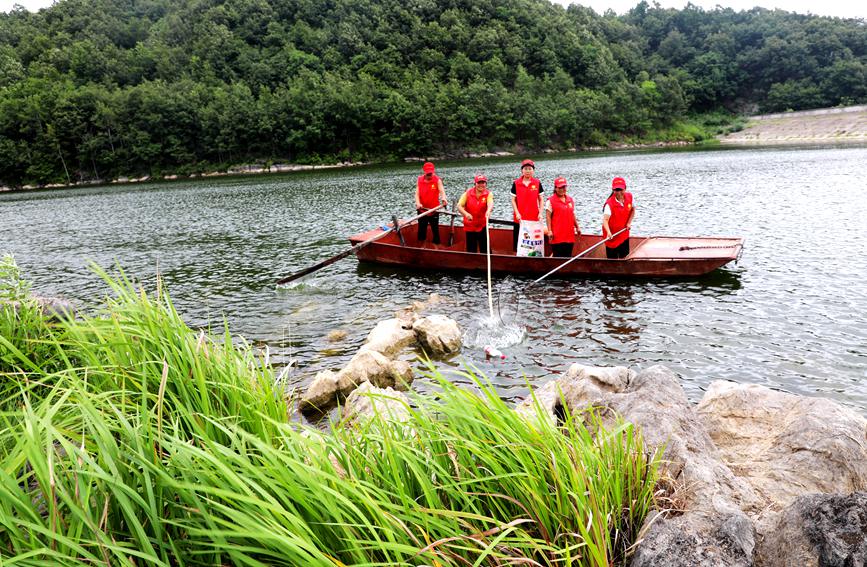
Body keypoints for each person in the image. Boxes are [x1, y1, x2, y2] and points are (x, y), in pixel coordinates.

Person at [510, 159, 544, 250]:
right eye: (525, 169)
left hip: (534, 218)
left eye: (530, 169)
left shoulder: (537, 183)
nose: (528, 171)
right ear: (522, 170)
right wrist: (517, 213)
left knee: (532, 244)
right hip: (519, 219)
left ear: (533, 170)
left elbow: (541, 200)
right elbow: (513, 200)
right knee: (518, 244)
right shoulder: (516, 183)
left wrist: (540, 213)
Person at [545, 176, 580, 258]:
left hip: (569, 235)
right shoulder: (550, 201)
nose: (563, 189)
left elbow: (572, 214)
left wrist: (577, 227)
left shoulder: (570, 200)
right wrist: (549, 231)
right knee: (558, 258)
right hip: (557, 236)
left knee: (567, 257)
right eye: (560, 187)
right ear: (555, 188)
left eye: (564, 187)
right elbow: (548, 217)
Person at [457, 174, 493, 253]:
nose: (481, 185)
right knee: (471, 249)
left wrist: (488, 210)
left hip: (482, 224)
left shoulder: (488, 194)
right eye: (479, 183)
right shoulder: (467, 193)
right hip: (470, 225)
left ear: (486, 184)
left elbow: (490, 204)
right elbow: (459, 206)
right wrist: (466, 214)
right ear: (475, 184)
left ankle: (485, 262)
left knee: (485, 249)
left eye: (483, 183)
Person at [602, 176, 635, 259]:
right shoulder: (609, 204)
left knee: (625, 257)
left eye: (621, 189)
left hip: (624, 234)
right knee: (612, 262)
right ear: (613, 190)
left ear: (625, 188)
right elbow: (605, 221)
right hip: (612, 237)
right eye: (616, 190)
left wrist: (629, 223)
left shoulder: (629, 197)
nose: (619, 192)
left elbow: (633, 210)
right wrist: (608, 232)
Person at [415, 161, 448, 246]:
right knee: (422, 230)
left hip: (434, 210)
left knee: (435, 229)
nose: (430, 175)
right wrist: (418, 203)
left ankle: (436, 246)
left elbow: (442, 191)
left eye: (431, 173)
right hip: (422, 210)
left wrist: (444, 198)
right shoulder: (419, 180)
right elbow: (417, 194)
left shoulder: (437, 180)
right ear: (424, 172)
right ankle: (422, 246)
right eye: (428, 174)